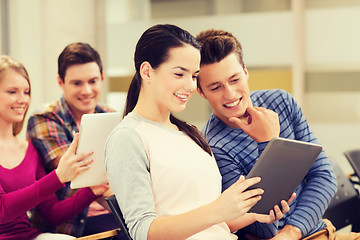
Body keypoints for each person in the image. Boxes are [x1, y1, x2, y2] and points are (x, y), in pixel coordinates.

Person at [104, 24, 295, 240]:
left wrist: (254, 213)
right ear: (147, 71)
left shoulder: (190, 134)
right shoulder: (128, 137)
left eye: (194, 76)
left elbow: (213, 224)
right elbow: (143, 231)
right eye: (179, 74)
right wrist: (218, 209)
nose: (189, 86)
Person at [195, 29, 360, 240]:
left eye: (234, 79)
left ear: (245, 72)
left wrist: (292, 231)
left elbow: (324, 176)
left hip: (317, 231)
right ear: (201, 92)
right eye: (216, 87)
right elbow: (266, 222)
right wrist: (269, 142)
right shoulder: (214, 147)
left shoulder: (281, 102)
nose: (230, 94)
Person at [0, 55, 109, 240]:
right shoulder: (44, 121)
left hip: (29, 236)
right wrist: (59, 176)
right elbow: (2, 209)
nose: (22, 100)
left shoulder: (29, 150)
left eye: (26, 92)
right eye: (12, 92)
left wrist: (92, 191)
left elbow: (52, 213)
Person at [26, 42, 117, 237]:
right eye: (77, 83)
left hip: (112, 214)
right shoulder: (44, 118)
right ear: (60, 82)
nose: (86, 91)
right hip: (71, 226)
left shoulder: (112, 115)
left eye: (93, 81)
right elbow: (80, 171)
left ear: (102, 78)